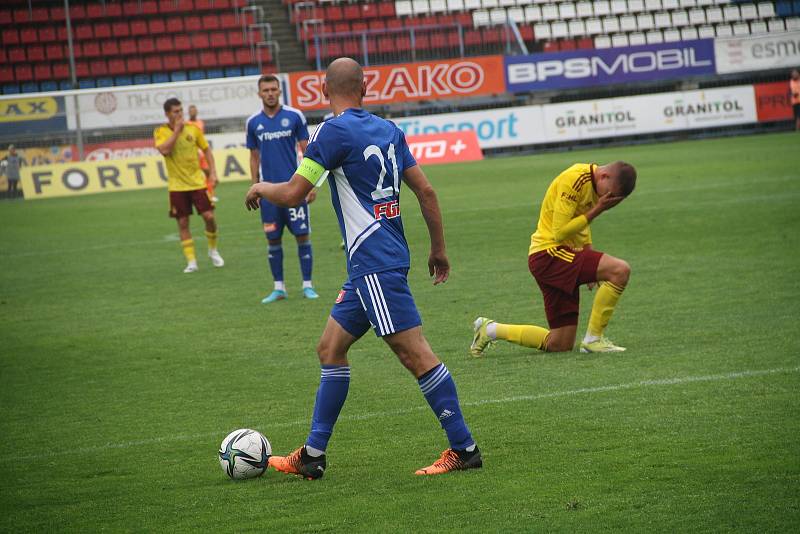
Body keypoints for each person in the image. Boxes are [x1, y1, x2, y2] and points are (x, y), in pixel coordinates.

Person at [245, 58, 481, 478]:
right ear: (366, 87)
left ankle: (463, 447)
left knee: (415, 354)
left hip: (374, 263)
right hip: (376, 264)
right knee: (330, 349)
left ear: (322, 89)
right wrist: (438, 249)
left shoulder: (331, 132)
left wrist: (262, 186)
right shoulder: (390, 130)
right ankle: (313, 456)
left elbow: (296, 193)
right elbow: (425, 190)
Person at [471, 162, 636, 356]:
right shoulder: (575, 179)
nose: (606, 199)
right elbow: (560, 232)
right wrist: (598, 209)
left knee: (560, 343)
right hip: (550, 254)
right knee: (620, 270)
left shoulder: (593, 187)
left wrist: (589, 251)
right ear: (604, 176)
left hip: (552, 259)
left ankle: (489, 329)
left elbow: (581, 222)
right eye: (609, 193)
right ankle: (594, 339)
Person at [246, 75, 319, 303]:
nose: (270, 93)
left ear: (279, 91)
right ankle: (279, 288)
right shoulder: (253, 123)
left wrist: (311, 184)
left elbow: (307, 151)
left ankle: (307, 286)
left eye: (273, 89)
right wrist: (255, 186)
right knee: (273, 239)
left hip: (295, 189)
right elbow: (254, 157)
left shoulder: (294, 116)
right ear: (259, 93)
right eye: (265, 90)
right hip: (268, 193)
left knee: (302, 235)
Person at [154, 97, 224, 273]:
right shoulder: (160, 132)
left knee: (209, 217)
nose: (179, 114)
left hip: (197, 183)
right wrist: (177, 131)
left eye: (180, 111)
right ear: (167, 114)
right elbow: (164, 150)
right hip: (177, 186)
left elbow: (206, 150)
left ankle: (213, 250)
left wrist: (213, 172)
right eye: (175, 112)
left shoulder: (193, 129)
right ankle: (191, 262)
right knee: (183, 222)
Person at [186, 105, 218, 202]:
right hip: (192, 153)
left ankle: (210, 194)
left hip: (202, 151)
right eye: (191, 111)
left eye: (194, 111)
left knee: (208, 173)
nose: (193, 112)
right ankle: (190, 195)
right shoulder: (186, 124)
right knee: (192, 175)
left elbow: (201, 138)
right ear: (188, 112)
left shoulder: (200, 123)